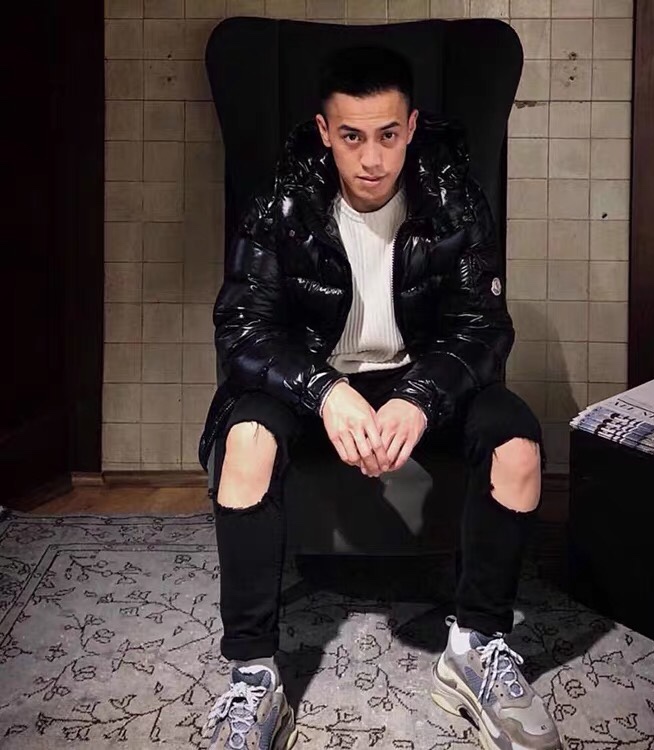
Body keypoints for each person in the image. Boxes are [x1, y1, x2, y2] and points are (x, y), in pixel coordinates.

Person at [197, 44, 561, 750]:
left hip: (418, 379)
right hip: (314, 383)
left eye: (389, 135)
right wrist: (323, 390)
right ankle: (252, 676)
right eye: (353, 137)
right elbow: (241, 330)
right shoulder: (281, 203)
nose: (372, 159)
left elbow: (484, 330)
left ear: (412, 126)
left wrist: (421, 396)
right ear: (325, 131)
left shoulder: (453, 198)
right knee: (245, 441)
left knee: (517, 443)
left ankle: (474, 649)